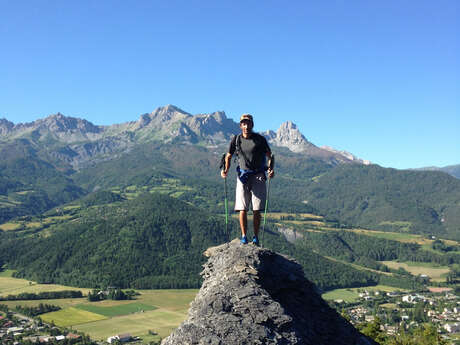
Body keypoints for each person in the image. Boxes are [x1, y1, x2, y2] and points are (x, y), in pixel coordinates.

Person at [220, 114, 274, 245]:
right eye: (243, 123)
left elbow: (270, 155)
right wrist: (225, 169)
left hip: (258, 175)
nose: (246, 126)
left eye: (248, 123)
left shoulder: (260, 139)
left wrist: (271, 169)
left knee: (256, 209)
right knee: (242, 208)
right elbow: (228, 156)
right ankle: (244, 236)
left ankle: (255, 237)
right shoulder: (236, 139)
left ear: (252, 125)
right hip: (242, 176)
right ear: (240, 125)